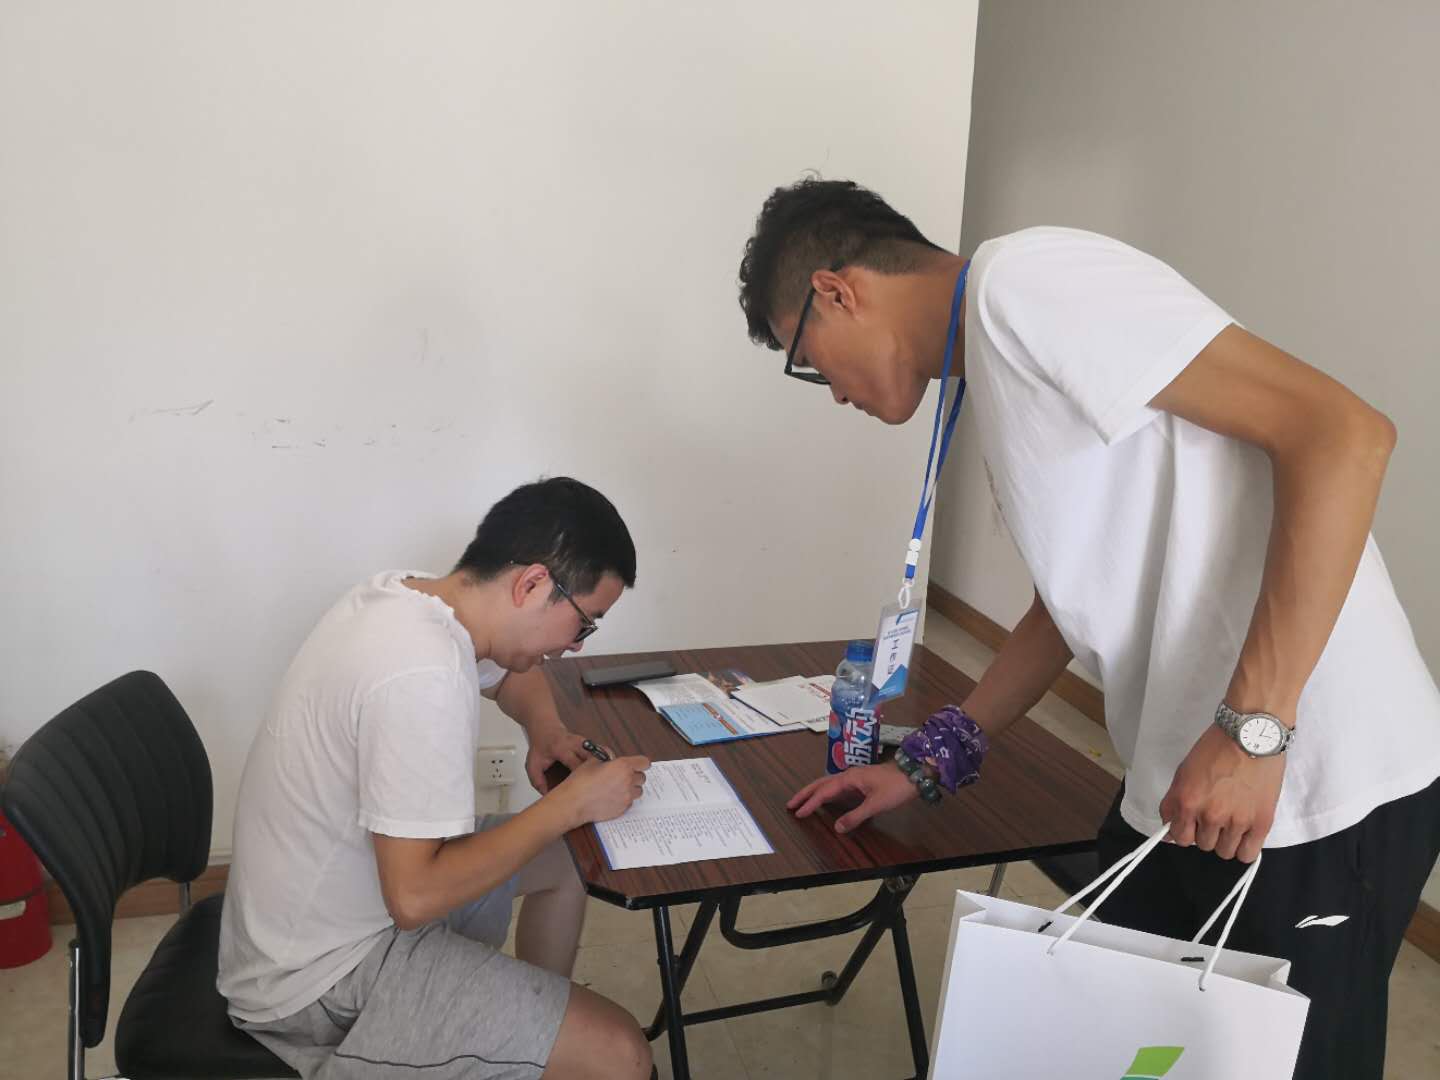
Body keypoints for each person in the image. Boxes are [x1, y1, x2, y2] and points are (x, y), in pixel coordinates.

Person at [738, 178, 1440, 1080]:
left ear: (836, 292)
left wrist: (1253, 732)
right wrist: (927, 761)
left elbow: (1344, 434)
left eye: (807, 359)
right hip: (1186, 779)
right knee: (1135, 1050)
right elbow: (1068, 604)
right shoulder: (997, 362)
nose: (831, 393)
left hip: (1312, 781)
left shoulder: (1024, 283)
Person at [218, 477, 654, 1080]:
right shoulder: (421, 676)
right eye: (584, 623)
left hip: (319, 917)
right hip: (315, 979)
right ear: (532, 584)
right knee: (621, 1053)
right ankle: (536, 1046)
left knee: (569, 860)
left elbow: (510, 673)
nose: (576, 646)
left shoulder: (410, 599)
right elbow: (414, 899)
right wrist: (568, 805)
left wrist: (547, 732)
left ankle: (527, 1046)